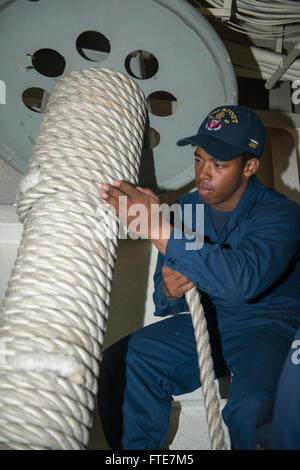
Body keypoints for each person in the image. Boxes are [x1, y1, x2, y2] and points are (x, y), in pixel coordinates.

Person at [98, 105, 300, 450]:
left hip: (270, 325)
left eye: (218, 164)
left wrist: (154, 225)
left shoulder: (282, 215)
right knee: (125, 361)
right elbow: (163, 301)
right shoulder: (187, 208)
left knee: (254, 408)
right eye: (199, 159)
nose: (204, 173)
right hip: (208, 320)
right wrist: (169, 290)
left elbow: (242, 282)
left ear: (249, 166)